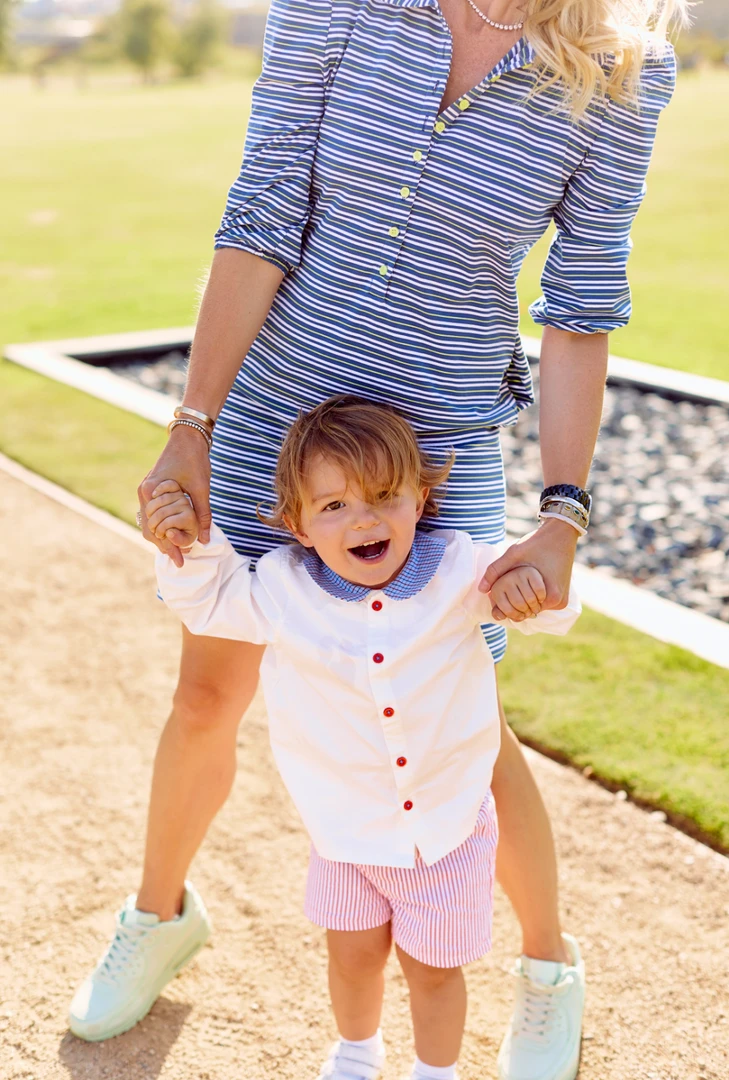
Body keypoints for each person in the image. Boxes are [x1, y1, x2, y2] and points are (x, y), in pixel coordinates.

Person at [69, 0, 685, 1075]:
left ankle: (548, 970)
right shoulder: (331, 6)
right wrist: (192, 427)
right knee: (207, 695)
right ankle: (159, 915)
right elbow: (263, 210)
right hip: (277, 428)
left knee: (470, 737)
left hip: (433, 461)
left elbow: (580, 305)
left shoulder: (623, 66)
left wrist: (562, 513)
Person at [153, 396, 582, 1080]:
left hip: (443, 835)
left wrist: (534, 586)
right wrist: (184, 536)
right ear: (295, 524)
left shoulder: (460, 571)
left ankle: (433, 1072)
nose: (363, 519)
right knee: (350, 956)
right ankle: (355, 1053)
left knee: (431, 972)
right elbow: (205, 599)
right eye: (333, 507)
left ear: (422, 496)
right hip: (344, 833)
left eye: (384, 496)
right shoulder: (279, 589)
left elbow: (546, 604)